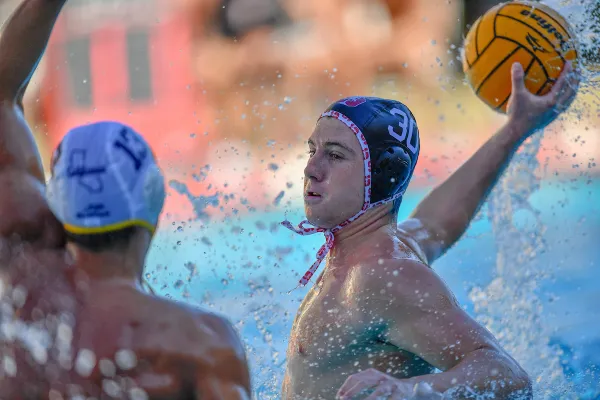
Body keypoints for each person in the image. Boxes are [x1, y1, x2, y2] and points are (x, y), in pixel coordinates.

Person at [281, 60, 578, 399]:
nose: (311, 169)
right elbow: (437, 221)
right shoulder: (383, 249)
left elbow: (507, 375)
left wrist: (407, 390)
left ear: (383, 175)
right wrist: (516, 128)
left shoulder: (382, 276)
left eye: (334, 156)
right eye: (312, 150)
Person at [0, 0, 250, 398]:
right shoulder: (200, 344)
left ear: (57, 206)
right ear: (154, 202)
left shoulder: (27, 296)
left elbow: (1, 93)